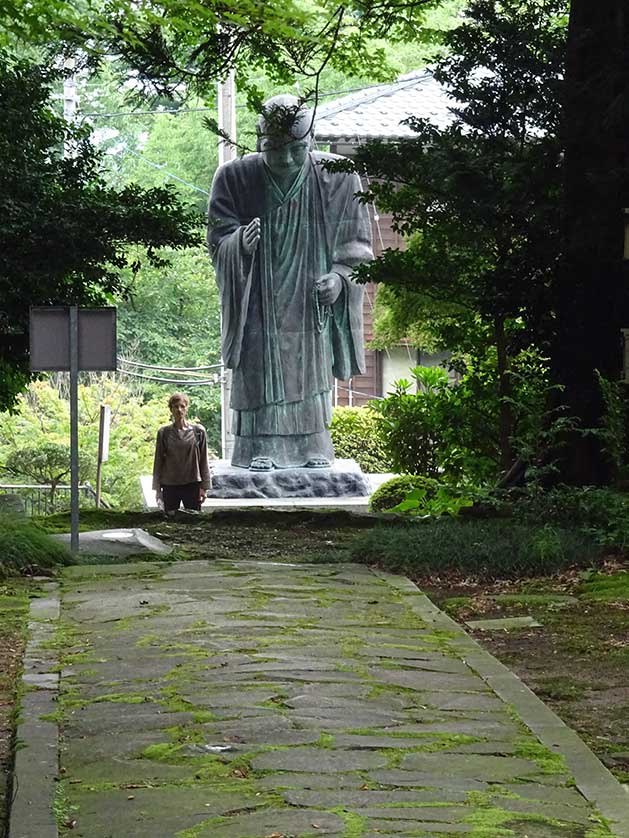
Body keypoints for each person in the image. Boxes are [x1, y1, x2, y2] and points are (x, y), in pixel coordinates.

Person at [208, 94, 373, 472]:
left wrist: (340, 278)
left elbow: (358, 248)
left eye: (296, 150)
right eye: (273, 150)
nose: (285, 160)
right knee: (258, 366)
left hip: (309, 302)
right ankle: (256, 446)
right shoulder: (235, 178)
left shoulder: (339, 177)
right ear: (258, 142)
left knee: (309, 368)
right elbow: (218, 240)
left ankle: (314, 445)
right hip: (257, 302)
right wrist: (239, 246)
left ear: (312, 139)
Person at [152, 393, 212, 513]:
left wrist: (204, 487)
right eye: (175, 407)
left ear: (186, 408)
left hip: (192, 484)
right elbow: (158, 461)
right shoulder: (164, 433)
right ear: (171, 409)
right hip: (170, 485)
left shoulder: (198, 431)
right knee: (170, 521)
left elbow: (203, 460)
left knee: (193, 522)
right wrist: (158, 490)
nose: (179, 410)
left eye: (182, 406)